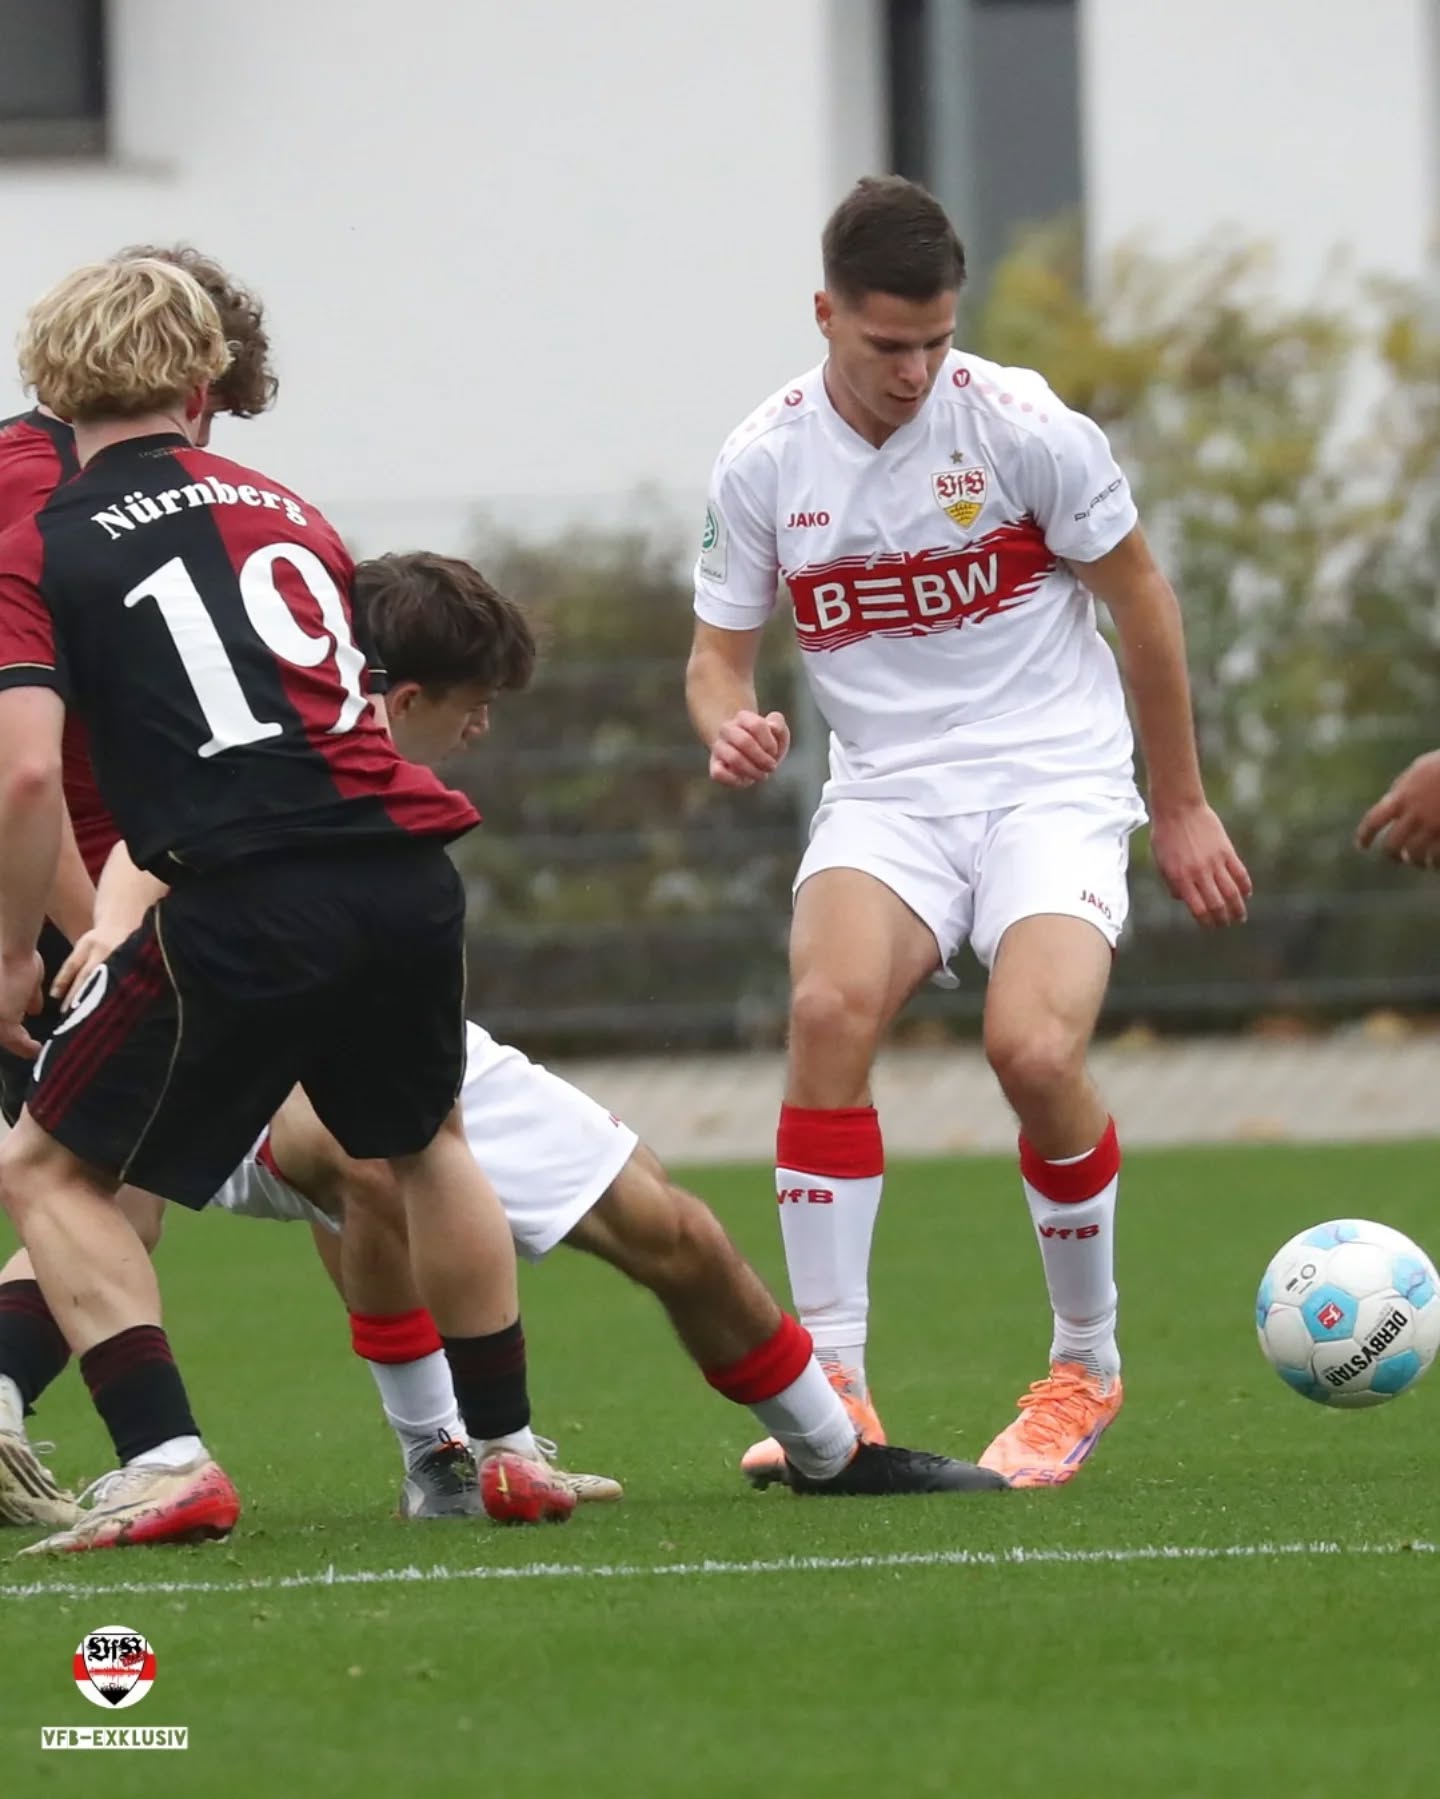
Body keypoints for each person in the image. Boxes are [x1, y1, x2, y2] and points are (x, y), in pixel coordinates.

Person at [83, 551, 1014, 1511]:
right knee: (359, 1158)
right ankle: (445, 1456)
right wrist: (111, 938)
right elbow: (145, 853)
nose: (484, 724)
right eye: (471, 700)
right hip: (262, 1073)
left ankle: (828, 1449)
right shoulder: (264, 756)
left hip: (401, 1042)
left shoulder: (381, 801)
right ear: (398, 701)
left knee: (669, 1223)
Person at [0, 250, 612, 1531]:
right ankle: (504, 1443)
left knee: (55, 1169)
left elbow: (21, 779)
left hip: (240, 896)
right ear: (203, 380)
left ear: (52, 382)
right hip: (401, 871)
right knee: (425, 1143)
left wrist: (18, 950)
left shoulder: (46, 542)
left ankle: (165, 1457)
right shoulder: (291, 509)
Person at [685, 176, 1251, 1490]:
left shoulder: (1022, 426)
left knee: (1033, 1049)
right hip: (889, 795)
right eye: (887, 344)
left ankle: (1084, 1363)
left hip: (1053, 780)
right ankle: (834, 1379)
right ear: (825, 313)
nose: (915, 369)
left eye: (936, 339)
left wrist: (1178, 801)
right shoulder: (761, 458)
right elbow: (717, 660)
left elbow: (1144, 601)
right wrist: (732, 721)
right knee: (827, 1008)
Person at [0, 245, 281, 1531]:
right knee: (86, 1179)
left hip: (104, 880)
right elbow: (24, 769)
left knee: (109, 1188)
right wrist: (71, 935)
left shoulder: (77, 478)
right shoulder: (56, 503)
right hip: (56, 887)